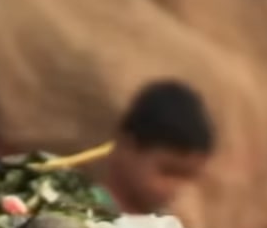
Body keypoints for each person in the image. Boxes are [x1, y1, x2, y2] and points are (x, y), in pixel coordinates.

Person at [91, 79, 216, 216]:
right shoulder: (83, 212)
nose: (175, 188)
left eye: (186, 177)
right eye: (168, 171)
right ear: (128, 146)